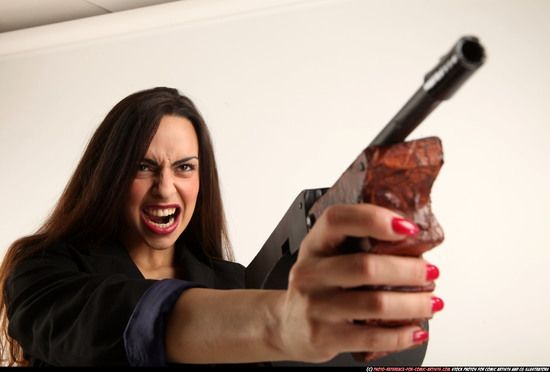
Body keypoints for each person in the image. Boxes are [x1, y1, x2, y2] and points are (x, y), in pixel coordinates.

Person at [0, 87, 443, 366]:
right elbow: (104, 320)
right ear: (108, 176)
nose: (165, 188)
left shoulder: (237, 282)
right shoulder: (40, 270)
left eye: (184, 168)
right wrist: (277, 324)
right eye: (143, 166)